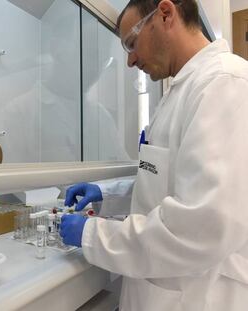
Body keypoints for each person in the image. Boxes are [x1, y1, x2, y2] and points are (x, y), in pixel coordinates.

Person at [60, 0, 248, 310]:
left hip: (199, 296)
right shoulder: (180, 91)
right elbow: (168, 182)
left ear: (165, 13)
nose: (130, 60)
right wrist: (107, 196)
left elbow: (201, 226)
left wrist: (94, 234)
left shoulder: (225, 84)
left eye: (132, 43)